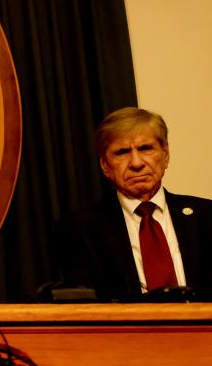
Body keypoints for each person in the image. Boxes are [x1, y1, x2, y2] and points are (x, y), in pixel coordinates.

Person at [54, 107, 212, 299]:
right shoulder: (80, 228)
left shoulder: (206, 216)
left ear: (165, 155)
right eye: (122, 152)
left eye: (146, 148)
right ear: (105, 165)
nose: (136, 163)